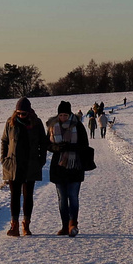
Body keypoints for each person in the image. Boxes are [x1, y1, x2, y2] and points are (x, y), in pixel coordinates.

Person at [0, 97, 49, 237]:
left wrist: (41, 160)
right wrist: (4, 159)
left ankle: (26, 226)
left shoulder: (36, 122)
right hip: (13, 165)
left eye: (24, 113)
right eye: (19, 112)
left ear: (29, 112)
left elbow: (43, 143)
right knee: (14, 196)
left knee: (28, 196)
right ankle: (14, 226)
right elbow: (4, 141)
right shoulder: (11, 122)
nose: (21, 115)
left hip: (30, 164)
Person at [45, 100, 90, 236]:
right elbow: (47, 144)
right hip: (58, 167)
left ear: (70, 114)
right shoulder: (53, 126)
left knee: (73, 196)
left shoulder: (78, 126)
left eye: (65, 115)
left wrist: (72, 147)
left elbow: (85, 145)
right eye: (61, 115)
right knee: (62, 198)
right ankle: (65, 225)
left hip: (75, 166)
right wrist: (56, 148)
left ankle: (73, 224)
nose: (63, 117)